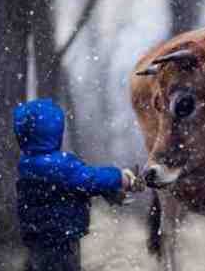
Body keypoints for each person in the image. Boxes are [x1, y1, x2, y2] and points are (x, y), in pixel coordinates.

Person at [13, 98, 145, 271]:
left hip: (38, 236)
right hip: (61, 237)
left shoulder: (27, 163)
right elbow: (89, 180)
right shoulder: (59, 166)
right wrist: (120, 177)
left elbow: (75, 185)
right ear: (55, 132)